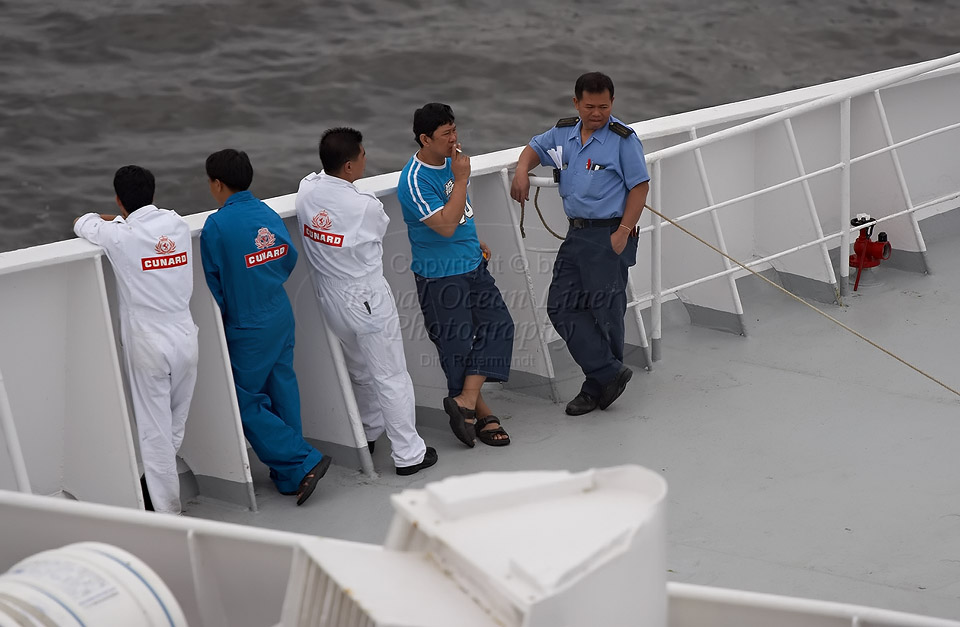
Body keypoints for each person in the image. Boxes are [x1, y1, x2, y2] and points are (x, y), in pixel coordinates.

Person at [295, 127, 437, 476]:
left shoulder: (306, 190)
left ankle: (371, 431)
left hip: (330, 297)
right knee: (391, 375)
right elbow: (379, 228)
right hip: (365, 296)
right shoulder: (364, 206)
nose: (365, 159)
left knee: (360, 370)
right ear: (348, 166)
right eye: (362, 155)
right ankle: (408, 454)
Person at [510, 72, 650, 416]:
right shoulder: (564, 134)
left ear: (612, 103)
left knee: (606, 312)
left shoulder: (623, 140)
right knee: (561, 306)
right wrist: (521, 170)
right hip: (576, 234)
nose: (597, 113)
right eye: (590, 106)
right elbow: (535, 147)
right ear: (576, 103)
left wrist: (623, 232)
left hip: (609, 233)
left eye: (604, 106)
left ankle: (595, 387)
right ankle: (608, 373)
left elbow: (640, 187)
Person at [199, 149, 329, 505]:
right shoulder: (267, 212)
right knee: (282, 388)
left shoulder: (216, 226)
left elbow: (214, 282)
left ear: (217, 184)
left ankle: (302, 460)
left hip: (248, 323)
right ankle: (290, 477)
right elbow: (287, 257)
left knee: (243, 401)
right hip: (278, 312)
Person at [74, 165, 199, 514]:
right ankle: (161, 492)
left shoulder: (119, 235)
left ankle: (167, 513)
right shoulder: (176, 223)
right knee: (174, 423)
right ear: (153, 193)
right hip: (186, 336)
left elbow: (82, 222)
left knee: (154, 431)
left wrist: (114, 219)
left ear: (119, 200)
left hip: (149, 345)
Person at [397, 103, 515, 448]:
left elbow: (460, 213)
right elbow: (445, 226)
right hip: (440, 278)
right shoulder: (414, 180)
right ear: (425, 139)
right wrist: (462, 178)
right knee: (457, 347)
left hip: (472, 265)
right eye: (446, 133)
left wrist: (473, 243)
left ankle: (465, 401)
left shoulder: (453, 163)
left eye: (454, 130)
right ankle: (479, 413)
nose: (454, 138)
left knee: (500, 326)